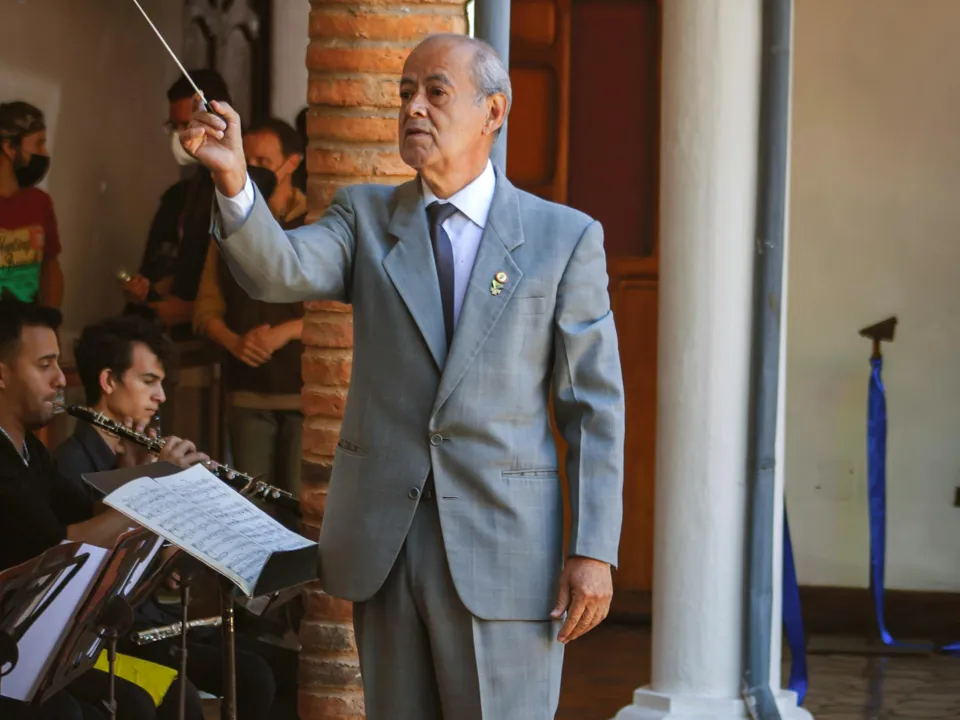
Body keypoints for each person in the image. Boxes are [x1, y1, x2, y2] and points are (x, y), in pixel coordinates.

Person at [183, 33, 626, 719]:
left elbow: (593, 408)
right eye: (405, 93)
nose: (414, 107)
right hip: (386, 546)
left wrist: (593, 550)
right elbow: (279, 272)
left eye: (436, 92)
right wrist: (234, 180)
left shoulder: (563, 238)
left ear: (494, 112)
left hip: (506, 548)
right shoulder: (364, 217)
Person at [53, 314, 286, 720]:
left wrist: (203, 508)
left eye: (161, 383)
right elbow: (93, 571)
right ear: (108, 381)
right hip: (117, 634)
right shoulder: (70, 465)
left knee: (285, 667)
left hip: (158, 620)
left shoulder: (140, 451)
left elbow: (159, 569)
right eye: (148, 381)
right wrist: (153, 483)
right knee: (253, 677)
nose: (160, 396)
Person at [0, 299, 206, 719]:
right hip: (14, 653)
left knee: (138, 702)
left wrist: (134, 474)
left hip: (38, 646)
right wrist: (152, 489)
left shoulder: (30, 450)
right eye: (45, 365)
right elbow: (63, 543)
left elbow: (87, 514)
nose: (61, 379)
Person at [193, 117, 306, 500]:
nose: (254, 167)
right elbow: (206, 307)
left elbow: (339, 313)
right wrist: (234, 342)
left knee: (301, 505)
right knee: (252, 505)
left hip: (304, 394)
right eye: (249, 159)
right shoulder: (228, 222)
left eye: (264, 160)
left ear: (292, 163)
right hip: (246, 392)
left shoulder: (315, 220)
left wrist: (284, 332)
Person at [121, 70, 232, 339]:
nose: (181, 136)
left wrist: (193, 311)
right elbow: (182, 266)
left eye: (187, 125)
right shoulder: (188, 192)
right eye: (175, 126)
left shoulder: (243, 190)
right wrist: (150, 288)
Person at [0, 102, 64, 307]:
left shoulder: (40, 202)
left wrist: (51, 318)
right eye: (38, 144)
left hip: (27, 320)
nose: (44, 153)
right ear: (10, 148)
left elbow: (50, 267)